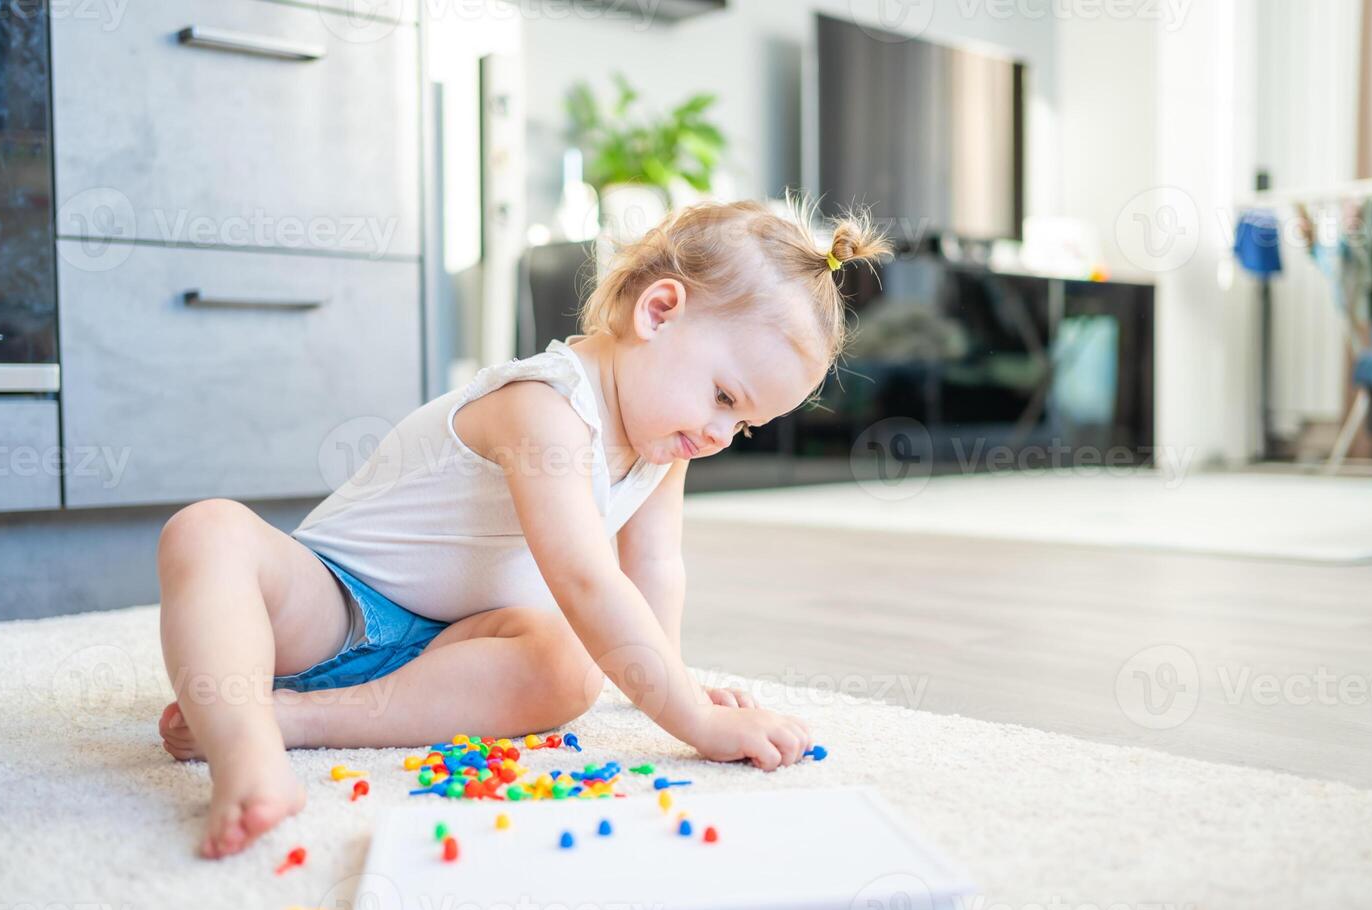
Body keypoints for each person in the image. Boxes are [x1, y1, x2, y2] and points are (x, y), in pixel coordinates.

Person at [154, 193, 893, 858]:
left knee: (572, 662)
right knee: (209, 530)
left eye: (746, 424)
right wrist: (695, 725)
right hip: (329, 607)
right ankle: (247, 749)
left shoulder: (667, 441)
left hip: (451, 649)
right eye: (725, 397)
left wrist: (678, 685)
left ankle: (297, 719)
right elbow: (583, 576)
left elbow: (654, 570)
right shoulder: (545, 406)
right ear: (658, 311)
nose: (719, 433)